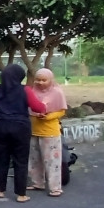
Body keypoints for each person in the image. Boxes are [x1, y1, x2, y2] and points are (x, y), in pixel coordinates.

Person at [0, 64, 47, 202]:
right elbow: (37, 107)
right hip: (20, 127)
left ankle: (0, 190)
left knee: (0, 159)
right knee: (21, 160)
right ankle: (21, 194)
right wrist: (44, 107)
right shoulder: (25, 90)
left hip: (0, 126)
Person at [28, 68, 68, 197]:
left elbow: (62, 111)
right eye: (38, 79)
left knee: (52, 162)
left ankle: (55, 188)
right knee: (34, 160)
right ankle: (38, 183)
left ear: (50, 80)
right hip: (34, 130)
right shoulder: (32, 92)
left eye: (44, 80)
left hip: (50, 131)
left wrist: (48, 117)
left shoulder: (57, 92)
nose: (40, 82)